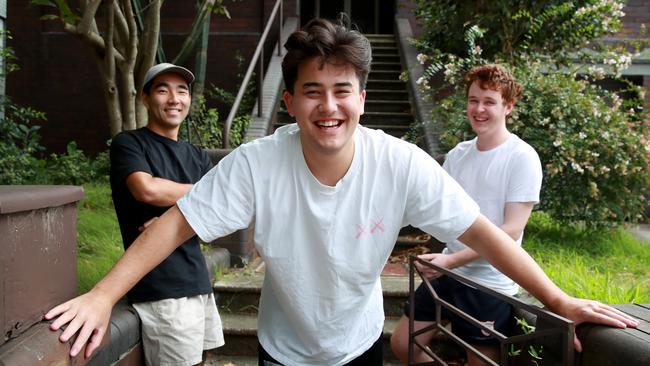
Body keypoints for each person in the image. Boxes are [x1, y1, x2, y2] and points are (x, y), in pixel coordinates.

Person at [45, 18, 637, 366]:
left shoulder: (401, 163)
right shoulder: (257, 162)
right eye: (312, 91)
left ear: (360, 94)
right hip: (281, 346)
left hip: (357, 344)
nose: (328, 107)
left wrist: (559, 301)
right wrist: (99, 297)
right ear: (289, 100)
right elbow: (174, 223)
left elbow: (485, 233)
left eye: (342, 90)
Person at [390, 64, 542, 365]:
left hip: (490, 282)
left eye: (489, 102)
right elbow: (434, 209)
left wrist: (451, 260)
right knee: (402, 346)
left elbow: (511, 231)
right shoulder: (458, 155)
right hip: (448, 272)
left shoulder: (522, 157)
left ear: (508, 106)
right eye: (473, 100)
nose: (479, 109)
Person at [107, 63, 224, 365]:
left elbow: (218, 216)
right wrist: (198, 198)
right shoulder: (130, 143)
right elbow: (146, 190)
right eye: (163, 90)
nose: (174, 98)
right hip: (161, 289)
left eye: (181, 91)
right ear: (145, 98)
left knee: (201, 360)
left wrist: (168, 219)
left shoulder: (197, 155)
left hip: (198, 280)